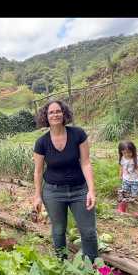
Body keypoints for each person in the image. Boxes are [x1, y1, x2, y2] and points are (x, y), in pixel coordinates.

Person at [32, 100, 98, 263]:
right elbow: (38, 171)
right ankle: (61, 262)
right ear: (46, 117)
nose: (55, 114)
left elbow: (86, 162)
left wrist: (91, 190)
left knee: (88, 231)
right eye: (51, 112)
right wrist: (37, 196)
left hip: (79, 190)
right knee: (59, 229)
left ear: (64, 113)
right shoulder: (41, 142)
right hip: (53, 192)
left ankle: (92, 266)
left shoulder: (78, 134)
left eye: (58, 111)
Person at [117, 141, 138, 216]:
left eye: (129, 152)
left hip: (136, 182)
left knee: (135, 196)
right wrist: (120, 175)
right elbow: (121, 166)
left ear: (133, 150)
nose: (127, 154)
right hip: (126, 180)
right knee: (124, 195)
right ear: (121, 152)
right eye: (124, 153)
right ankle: (122, 209)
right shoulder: (123, 157)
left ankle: (135, 211)